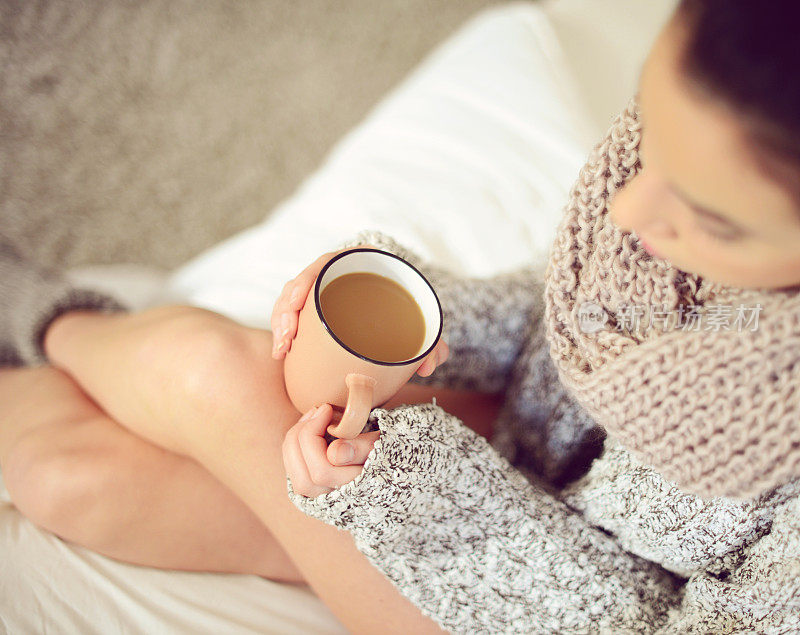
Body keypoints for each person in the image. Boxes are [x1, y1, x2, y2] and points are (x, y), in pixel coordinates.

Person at [2, 0, 800, 632]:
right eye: (649, 138)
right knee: (76, 481)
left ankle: (43, 313)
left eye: (712, 219)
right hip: (509, 464)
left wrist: (414, 498)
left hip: (513, 580)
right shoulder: (654, 202)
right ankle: (47, 320)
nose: (627, 211)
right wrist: (427, 320)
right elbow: (554, 316)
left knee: (202, 379)